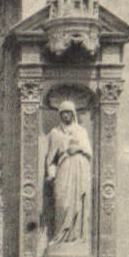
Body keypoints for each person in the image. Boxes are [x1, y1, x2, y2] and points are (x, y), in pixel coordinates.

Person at [42, 100, 92, 247]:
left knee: (77, 204)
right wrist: (51, 173)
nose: (66, 116)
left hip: (78, 170)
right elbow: (51, 158)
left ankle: (75, 238)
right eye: (63, 113)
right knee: (62, 204)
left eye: (68, 113)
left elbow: (88, 151)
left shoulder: (81, 132)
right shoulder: (55, 133)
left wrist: (78, 149)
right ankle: (59, 236)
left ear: (73, 114)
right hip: (63, 170)